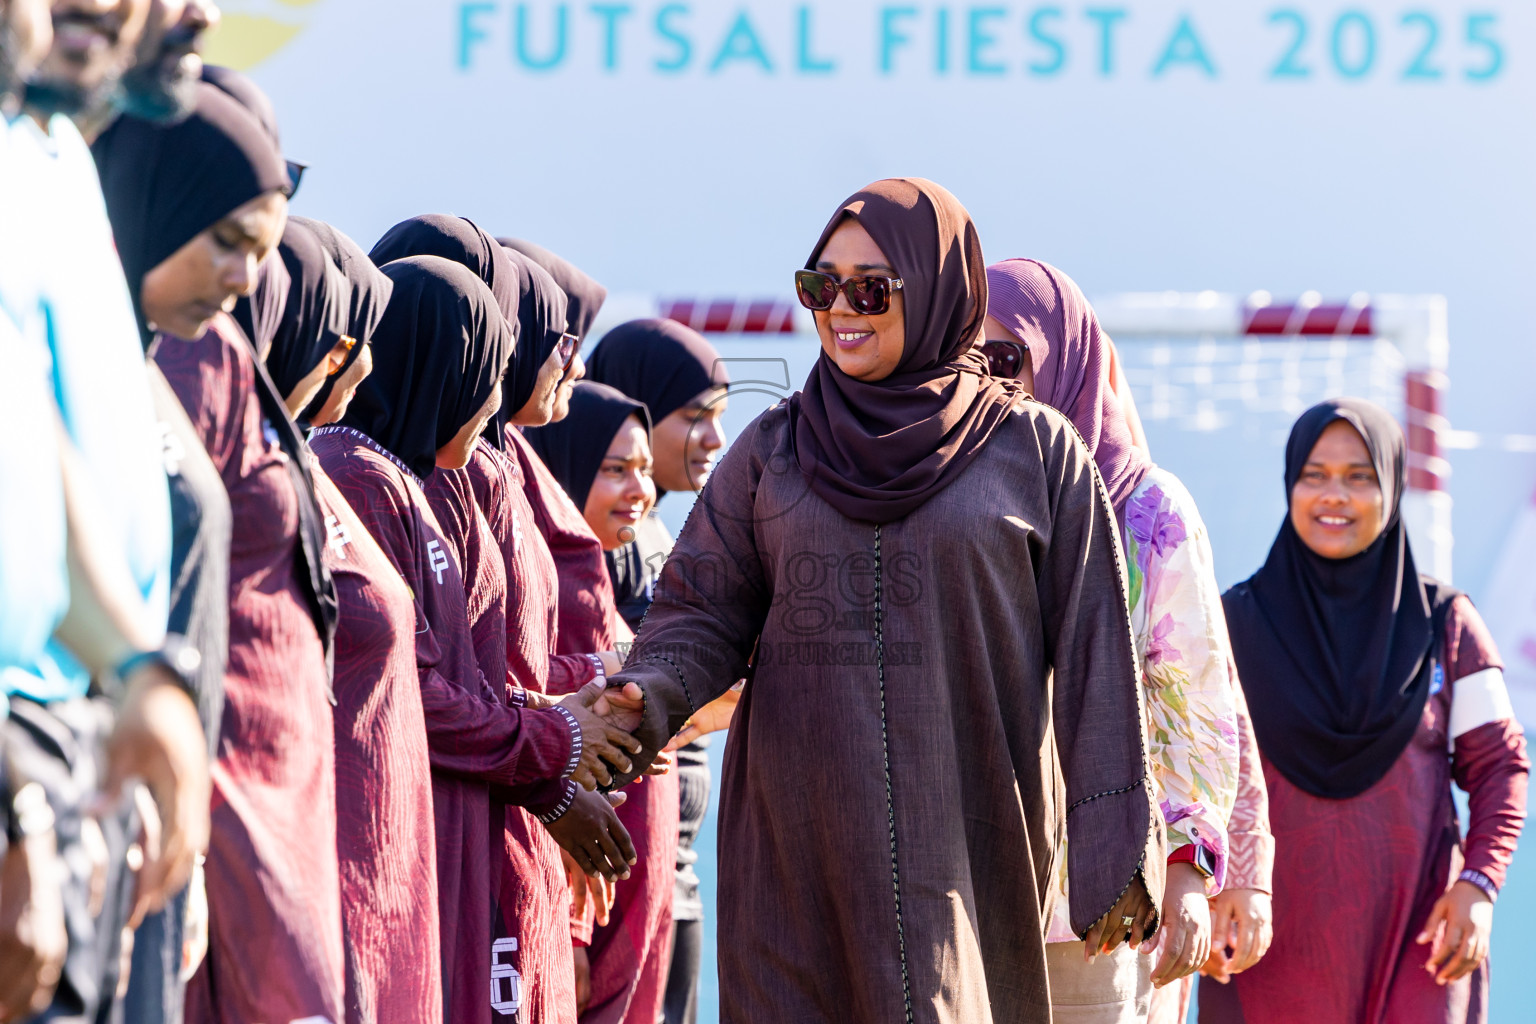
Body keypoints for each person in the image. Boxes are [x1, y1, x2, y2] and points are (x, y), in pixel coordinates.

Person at [601, 178, 1164, 1022]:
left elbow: (1096, 655)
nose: (840, 309)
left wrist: (1119, 847)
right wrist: (650, 693)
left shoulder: (1035, 453)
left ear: (939, 290)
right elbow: (701, 609)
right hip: (799, 849)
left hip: (969, 837)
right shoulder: (774, 452)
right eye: (819, 286)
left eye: (870, 287)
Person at [315, 254, 639, 1024]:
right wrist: (557, 740)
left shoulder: (422, 474)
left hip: (478, 819)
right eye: (488, 370)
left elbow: (476, 670)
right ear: (444, 367)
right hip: (417, 832)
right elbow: (416, 691)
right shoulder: (363, 479)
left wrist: (576, 709)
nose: (495, 397)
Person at [95, 82, 350, 1023]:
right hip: (80, 801)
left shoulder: (149, 359)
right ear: (154, 199)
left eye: (262, 251)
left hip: (154, 819)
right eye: (228, 241)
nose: (247, 279)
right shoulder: (84, 365)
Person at [1205, 398, 1529, 1023]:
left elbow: (1502, 766)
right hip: (1265, 938)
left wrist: (1479, 886)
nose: (1335, 495)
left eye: (1360, 476)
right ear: (1290, 485)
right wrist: (1209, 887)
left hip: (1420, 939)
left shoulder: (1446, 624)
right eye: (1315, 474)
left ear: (1393, 487)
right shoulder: (1229, 626)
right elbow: (1193, 776)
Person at [984, 258, 1241, 1020]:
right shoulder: (947, 498)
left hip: (1101, 906)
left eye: (1006, 361)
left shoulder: (1147, 510)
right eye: (964, 363)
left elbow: (1192, 698)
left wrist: (1191, 870)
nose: (988, 387)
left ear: (1064, 359)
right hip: (968, 896)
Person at [261, 217, 443, 1023]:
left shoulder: (299, 464)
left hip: (363, 852)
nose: (364, 365)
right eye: (349, 336)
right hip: (289, 852)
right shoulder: (331, 474)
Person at [584, 318, 730, 1024]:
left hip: (673, 877)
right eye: (694, 416)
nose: (715, 439)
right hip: (617, 876)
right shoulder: (603, 540)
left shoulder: (660, 533)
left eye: (721, 418)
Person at [526, 381, 680, 1024]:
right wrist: (573, 932)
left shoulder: (612, 580)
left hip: (631, 903)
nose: (640, 492)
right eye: (615, 470)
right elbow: (537, 735)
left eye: (644, 471)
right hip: (580, 914)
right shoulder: (555, 594)